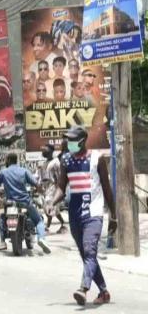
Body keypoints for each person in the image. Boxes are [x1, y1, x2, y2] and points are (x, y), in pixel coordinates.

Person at [47, 126, 116, 306]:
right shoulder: (66, 160)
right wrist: (52, 202)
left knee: (90, 249)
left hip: (94, 212)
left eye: (71, 140)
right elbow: (61, 186)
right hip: (75, 213)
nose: (68, 143)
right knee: (86, 254)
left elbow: (107, 189)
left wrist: (113, 216)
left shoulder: (97, 159)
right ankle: (104, 292)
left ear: (82, 140)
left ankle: (83, 288)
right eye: (67, 140)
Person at [0, 153, 51, 254]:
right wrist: (41, 191)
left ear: (9, 160)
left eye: (6, 160)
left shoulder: (3, 172)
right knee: (39, 220)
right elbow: (36, 184)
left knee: (2, 217)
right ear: (16, 161)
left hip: (10, 203)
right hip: (25, 202)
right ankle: (41, 238)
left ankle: (2, 241)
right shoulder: (24, 171)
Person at [41, 143, 67, 234]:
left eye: (46, 149)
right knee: (53, 209)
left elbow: (60, 176)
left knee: (50, 206)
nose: (43, 151)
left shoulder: (56, 162)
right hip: (46, 188)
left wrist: (60, 190)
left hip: (54, 188)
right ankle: (63, 224)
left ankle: (47, 227)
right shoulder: (44, 163)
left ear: (51, 151)